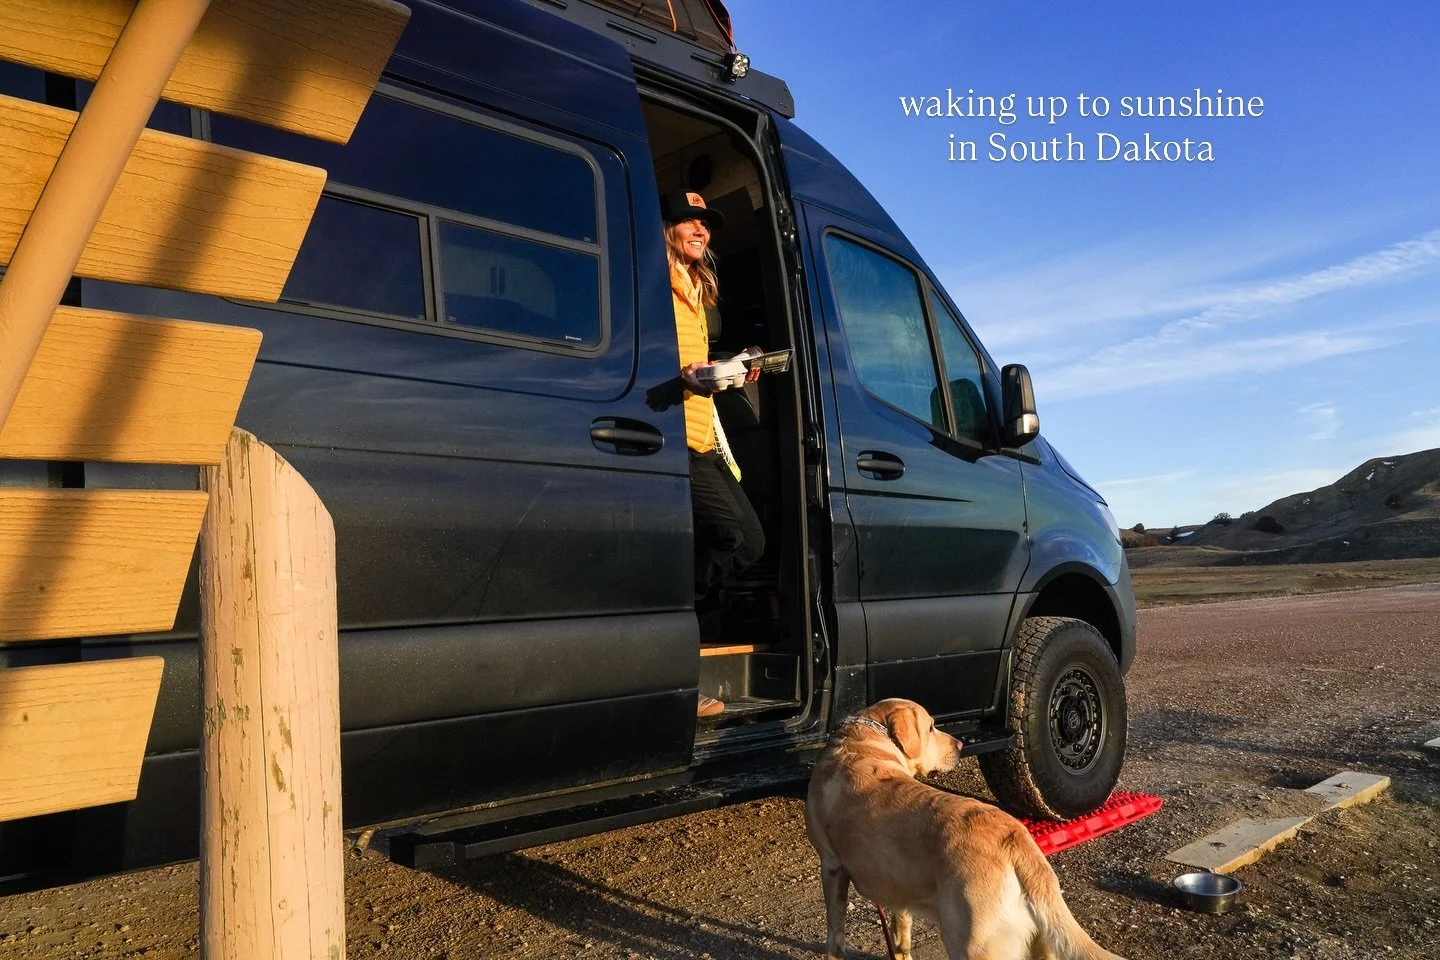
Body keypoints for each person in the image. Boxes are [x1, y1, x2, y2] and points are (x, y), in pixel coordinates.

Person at [660, 190, 765, 719]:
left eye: (706, 224)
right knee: (730, 533)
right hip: (670, 440)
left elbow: (694, 364)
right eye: (689, 221)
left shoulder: (697, 291)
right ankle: (680, 652)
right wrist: (685, 375)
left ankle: (690, 625)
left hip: (704, 439)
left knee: (751, 540)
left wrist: (729, 369)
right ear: (669, 229)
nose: (701, 230)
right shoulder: (656, 285)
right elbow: (658, 358)